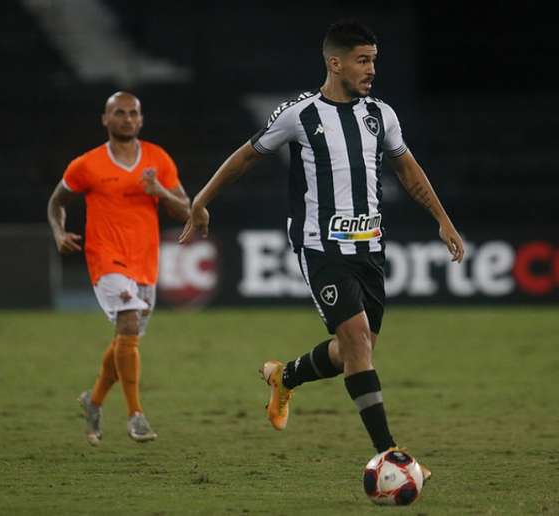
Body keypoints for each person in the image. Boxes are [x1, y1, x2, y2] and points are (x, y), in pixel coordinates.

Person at [180, 20, 464, 472]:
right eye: (363, 61)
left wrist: (443, 220)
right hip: (321, 247)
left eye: (374, 60)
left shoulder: (381, 115)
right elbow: (247, 156)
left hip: (370, 248)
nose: (372, 70)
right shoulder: (300, 114)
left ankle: (284, 375)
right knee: (356, 342)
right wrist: (201, 200)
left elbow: (408, 170)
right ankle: (390, 454)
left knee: (357, 349)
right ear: (335, 63)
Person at [47, 91, 190, 445]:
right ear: (105, 119)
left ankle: (92, 401)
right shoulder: (87, 165)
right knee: (128, 322)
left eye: (133, 113)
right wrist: (58, 231)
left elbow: (186, 210)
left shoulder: (157, 159)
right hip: (105, 258)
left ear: (140, 120)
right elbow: (56, 202)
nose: (127, 119)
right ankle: (135, 415)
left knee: (127, 341)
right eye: (119, 113)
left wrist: (160, 190)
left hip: (145, 262)